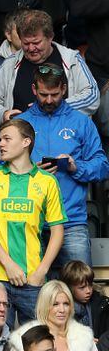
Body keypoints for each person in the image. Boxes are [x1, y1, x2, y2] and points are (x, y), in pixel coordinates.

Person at [0, 120, 65, 323]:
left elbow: (58, 232)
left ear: (26, 142)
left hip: (33, 278)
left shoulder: (47, 181)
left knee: (37, 342)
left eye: (7, 138)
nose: (1, 144)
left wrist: (41, 271)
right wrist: (9, 265)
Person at [17, 67, 108, 268]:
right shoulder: (20, 124)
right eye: (43, 95)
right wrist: (30, 170)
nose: (49, 100)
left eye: (54, 94)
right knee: (33, 291)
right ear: (34, 89)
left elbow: (102, 166)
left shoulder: (81, 122)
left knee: (79, 290)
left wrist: (76, 167)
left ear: (64, 89)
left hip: (71, 221)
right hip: (30, 222)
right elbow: (5, 166)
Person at [0, 9, 99, 127]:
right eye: (26, 43)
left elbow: (92, 96)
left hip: (64, 135)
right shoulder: (10, 63)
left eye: (36, 42)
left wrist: (57, 107)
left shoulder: (71, 59)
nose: (31, 48)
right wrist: (4, 114)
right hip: (21, 137)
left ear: (50, 37)